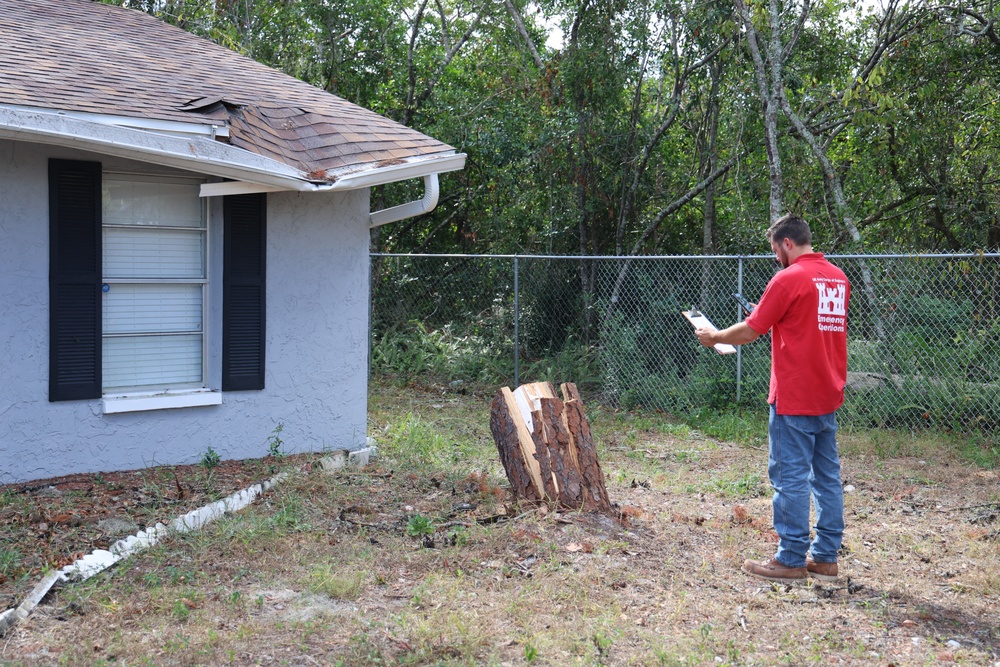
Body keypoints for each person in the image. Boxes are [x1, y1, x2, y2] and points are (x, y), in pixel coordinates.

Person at [695, 214, 850, 583]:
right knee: (826, 477)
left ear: (786, 243)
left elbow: (750, 331)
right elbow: (804, 322)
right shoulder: (838, 278)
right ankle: (826, 558)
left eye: (775, 249)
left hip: (794, 395)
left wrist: (714, 337)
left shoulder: (788, 277)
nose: (775, 257)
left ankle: (791, 559)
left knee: (790, 478)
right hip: (827, 392)